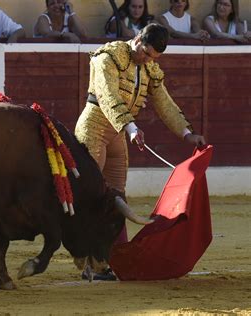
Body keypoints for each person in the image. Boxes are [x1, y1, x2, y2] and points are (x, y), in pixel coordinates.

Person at [74, 23, 206, 280]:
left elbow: (164, 102)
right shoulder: (108, 57)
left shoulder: (149, 69)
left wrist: (187, 133)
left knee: (117, 197)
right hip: (94, 127)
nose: (145, 59)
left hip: (118, 133)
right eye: (145, 52)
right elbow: (107, 96)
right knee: (92, 195)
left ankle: (116, 257)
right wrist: (131, 127)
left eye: (152, 57)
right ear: (137, 39)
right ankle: (90, 261)